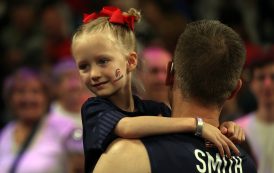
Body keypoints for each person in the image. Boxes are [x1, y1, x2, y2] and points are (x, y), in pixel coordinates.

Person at [71, 7, 244, 173]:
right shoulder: (93, 109)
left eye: (102, 61)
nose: (93, 74)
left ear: (131, 61)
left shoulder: (153, 109)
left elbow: (183, 132)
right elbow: (127, 127)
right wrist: (198, 125)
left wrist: (224, 129)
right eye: (83, 66)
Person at [0, 68, 78, 173]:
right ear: (10, 98)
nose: (28, 98)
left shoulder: (65, 128)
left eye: (35, 92)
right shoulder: (5, 133)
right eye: (20, 91)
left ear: (47, 97)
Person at [236, 54, 274, 173]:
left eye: (273, 77)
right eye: (261, 78)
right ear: (251, 84)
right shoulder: (238, 129)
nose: (268, 84)